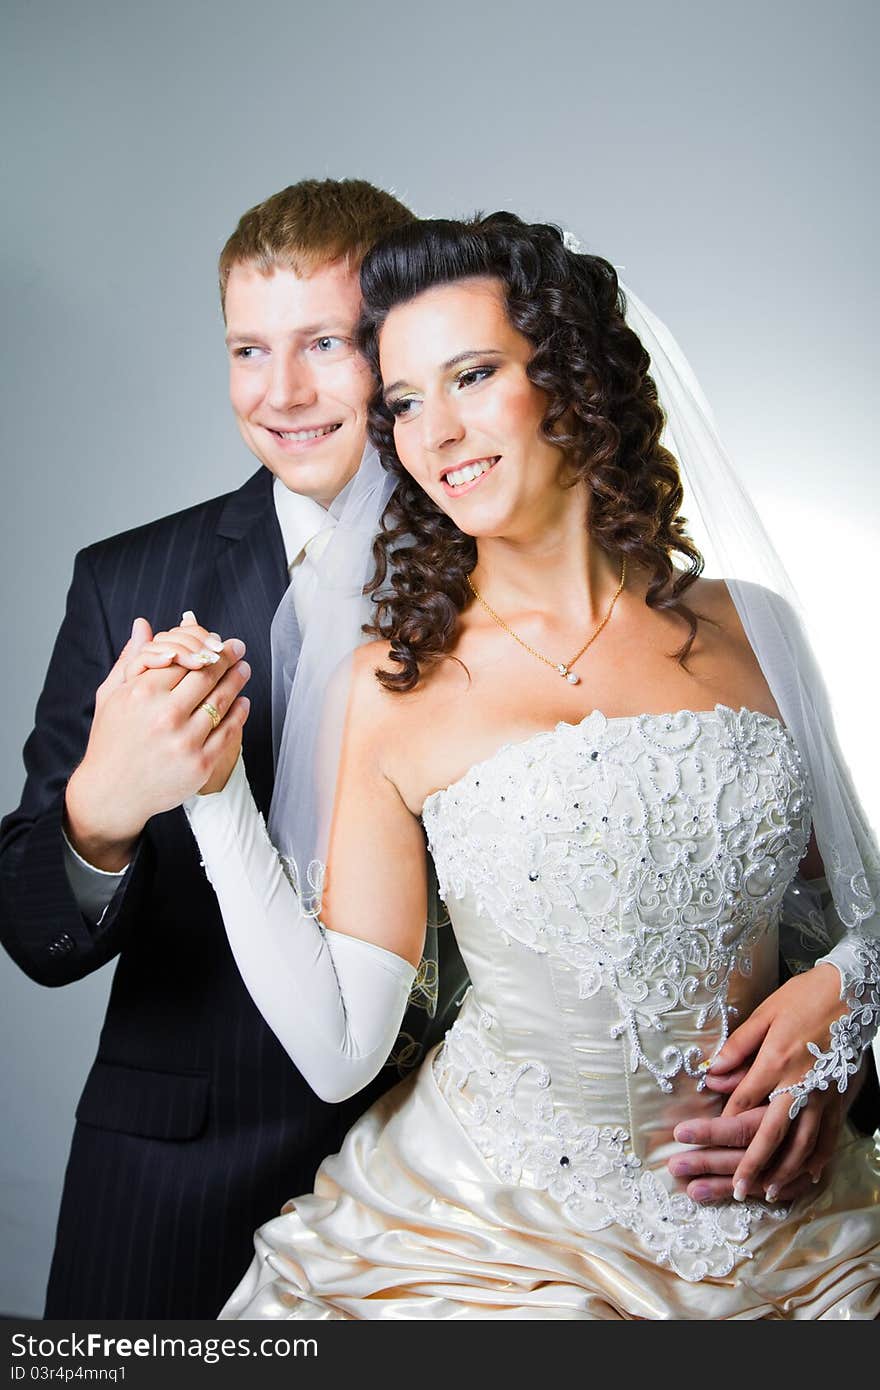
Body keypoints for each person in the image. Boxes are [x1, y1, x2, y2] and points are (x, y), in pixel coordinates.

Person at [148, 214, 880, 1318]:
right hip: (487, 1240)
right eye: (402, 402)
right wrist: (213, 799)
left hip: (797, 1238)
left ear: (572, 377)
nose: (434, 432)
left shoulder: (755, 630)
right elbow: (343, 1051)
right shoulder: (391, 688)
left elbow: (859, 905)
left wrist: (847, 1003)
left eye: (472, 376)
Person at [0, 179, 468, 1319]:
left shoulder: (509, 566)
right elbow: (33, 932)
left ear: (397, 343)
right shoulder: (127, 581)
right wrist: (99, 812)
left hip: (458, 1185)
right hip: (180, 1179)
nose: (283, 392)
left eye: (324, 343)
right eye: (248, 349)